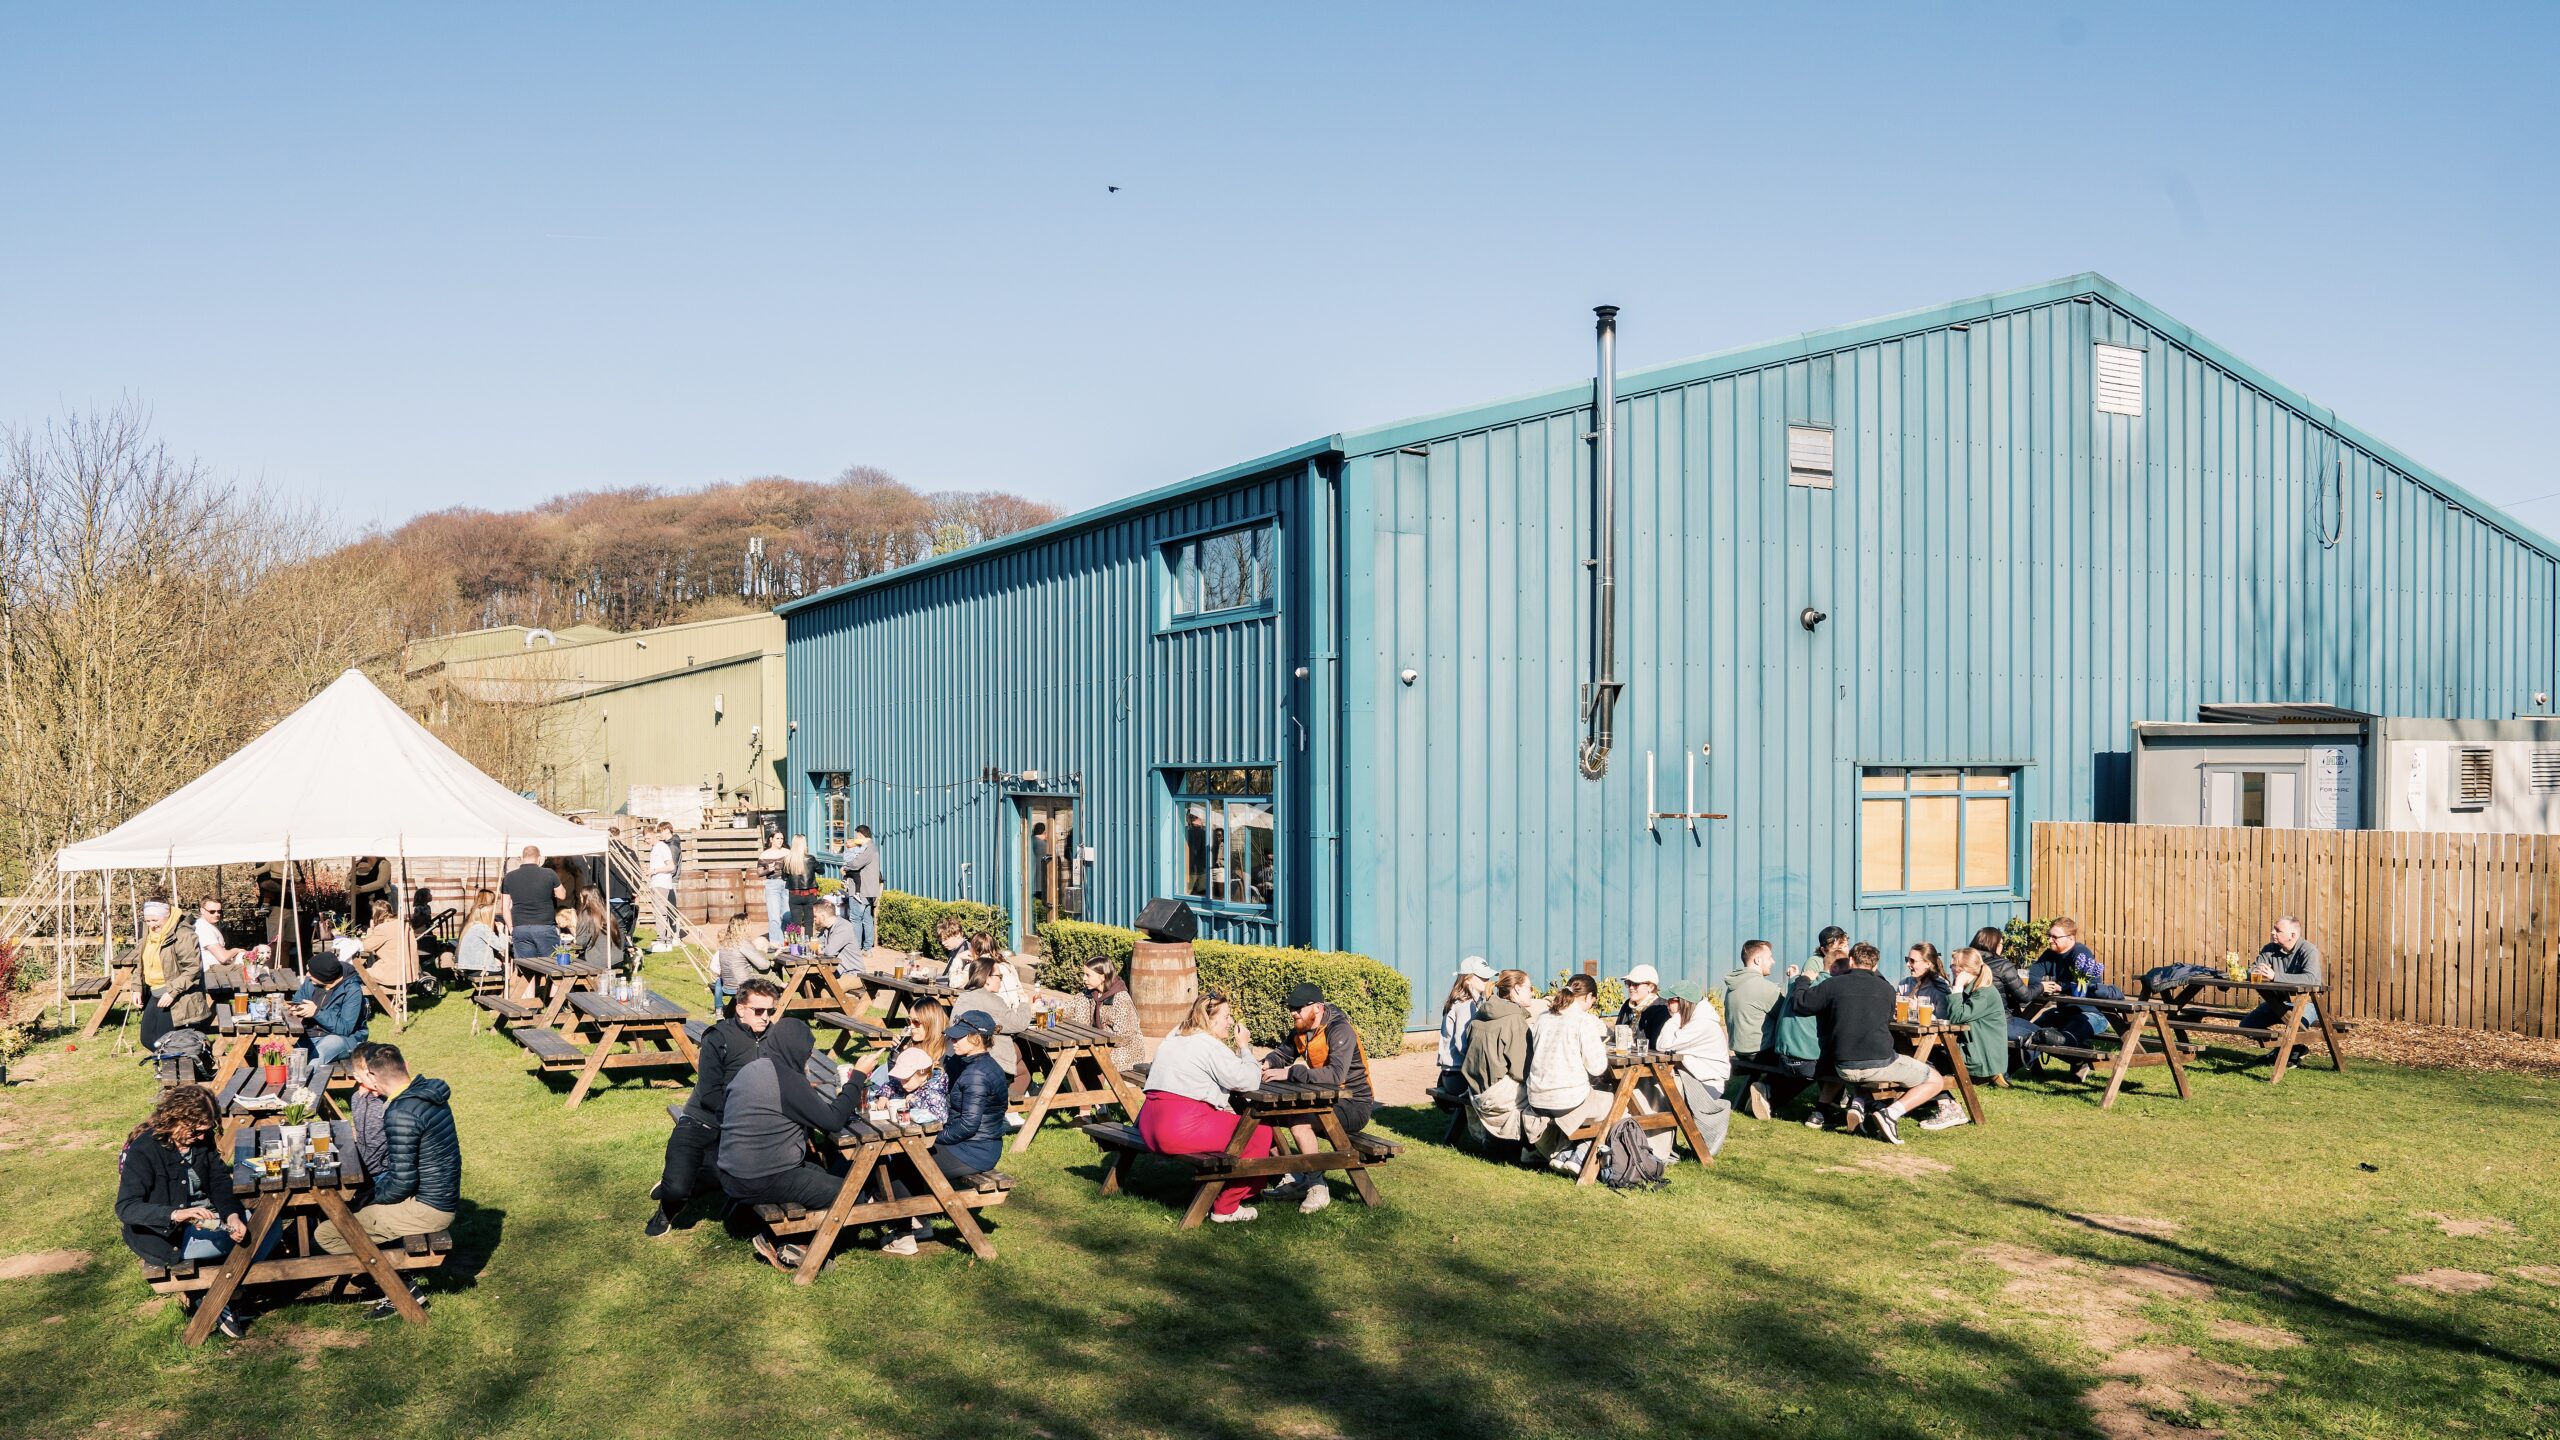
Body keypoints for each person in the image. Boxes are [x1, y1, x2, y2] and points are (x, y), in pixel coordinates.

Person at [114, 1086, 273, 1338]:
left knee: (269, 1224)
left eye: (206, 1131)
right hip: (169, 1237)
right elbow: (126, 1207)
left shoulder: (200, 1141)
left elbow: (220, 1181)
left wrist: (232, 1214)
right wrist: (178, 1215)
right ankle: (219, 1296)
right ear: (176, 1119)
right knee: (257, 1232)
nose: (201, 1137)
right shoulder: (145, 1150)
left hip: (208, 1221)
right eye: (196, 1131)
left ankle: (219, 1291)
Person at [316, 1043, 459, 1319]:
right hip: (438, 1197)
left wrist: (365, 1200)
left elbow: (401, 1183)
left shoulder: (399, 1112)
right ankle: (393, 1278)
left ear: (370, 1076)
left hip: (428, 1208)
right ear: (405, 1066)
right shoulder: (428, 1093)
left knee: (328, 1232)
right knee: (351, 1213)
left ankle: (399, 1288)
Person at [716, 1018, 864, 1271]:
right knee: (850, 1193)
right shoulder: (786, 1079)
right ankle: (791, 1243)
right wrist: (858, 1077)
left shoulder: (754, 1068)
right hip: (760, 1178)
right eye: (806, 1053)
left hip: (730, 1171)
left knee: (819, 1172)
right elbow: (832, 1120)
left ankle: (781, 1235)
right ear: (795, 1050)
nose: (806, 1060)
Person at [647, 975, 779, 1237]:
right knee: (676, 1190)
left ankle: (684, 1183)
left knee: (729, 1180)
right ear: (741, 1009)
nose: (765, 1017)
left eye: (771, 1011)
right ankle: (668, 1204)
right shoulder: (718, 1037)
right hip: (701, 1120)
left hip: (740, 1129)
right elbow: (708, 1092)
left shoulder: (775, 1036)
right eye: (759, 1010)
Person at [1787, 942, 1950, 1145]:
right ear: (1875, 966)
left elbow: (1801, 1003)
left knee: (1867, 1058)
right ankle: (1891, 1113)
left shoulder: (1833, 984)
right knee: (1935, 1080)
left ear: (1852, 961)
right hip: (1878, 1062)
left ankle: (1859, 1103)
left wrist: (1802, 979)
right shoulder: (1887, 990)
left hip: (1843, 1065)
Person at [874, 1009, 1008, 1256]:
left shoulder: (979, 1075)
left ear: (976, 1039)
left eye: (958, 1038)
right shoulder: (961, 1060)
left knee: (904, 1161)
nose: (952, 1041)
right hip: (961, 1140)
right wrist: (896, 1058)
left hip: (975, 1149)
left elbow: (968, 1126)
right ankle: (918, 1223)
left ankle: (906, 1234)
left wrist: (931, 1137)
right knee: (902, 1156)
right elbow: (924, 1073)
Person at [1138, 990, 1273, 1222]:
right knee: (1259, 1133)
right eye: (1227, 1016)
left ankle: (1223, 1190)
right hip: (1178, 1126)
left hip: (1148, 1122)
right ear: (1211, 1020)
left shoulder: (1176, 1035)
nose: (1230, 1022)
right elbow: (1247, 1080)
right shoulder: (1209, 1045)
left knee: (1237, 1129)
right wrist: (1245, 1048)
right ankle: (1226, 1207)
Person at [1260, 981, 1378, 1212]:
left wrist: (1292, 1072)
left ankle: (1317, 1187)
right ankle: (1294, 1176)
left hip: (1355, 1104)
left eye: (1298, 1008)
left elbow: (1334, 1075)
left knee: (1300, 1122)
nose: (1293, 1013)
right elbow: (1283, 1053)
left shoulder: (1339, 1029)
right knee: (1266, 1115)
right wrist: (1267, 1063)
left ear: (1316, 1007)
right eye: (1290, 1008)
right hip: (1325, 1100)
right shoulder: (1302, 1028)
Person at [1523, 974, 1612, 1173]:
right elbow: (1597, 1067)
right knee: (1611, 1100)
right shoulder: (1583, 1020)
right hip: (1566, 1099)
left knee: (1583, 1100)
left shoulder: (1543, 1018)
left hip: (1537, 1097)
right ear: (1589, 997)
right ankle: (1582, 1151)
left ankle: (1564, 1151)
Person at [1460, 969, 1536, 1162]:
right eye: (1530, 988)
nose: (1533, 993)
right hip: (1498, 1096)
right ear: (1517, 989)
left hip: (1476, 1092)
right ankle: (1539, 1149)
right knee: (1546, 1091)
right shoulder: (1514, 1020)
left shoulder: (1480, 1013)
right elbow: (1521, 1072)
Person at [1928, 947, 2008, 1129]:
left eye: (1952, 966)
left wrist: (1956, 987)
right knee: (1924, 1058)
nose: (1950, 970)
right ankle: (1942, 1103)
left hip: (1980, 1059)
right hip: (1971, 1051)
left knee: (1925, 1062)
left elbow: (1957, 1017)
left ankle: (1949, 1107)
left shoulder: (1985, 993)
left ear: (1962, 970)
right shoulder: (1974, 990)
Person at [1650, 983, 1732, 1157]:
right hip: (1695, 1077)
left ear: (1683, 1002)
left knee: (1658, 1092)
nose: (1666, 1003)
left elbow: (1663, 1044)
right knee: (1655, 1087)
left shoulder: (1702, 1024)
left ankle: (1659, 1149)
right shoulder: (1696, 1020)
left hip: (1707, 1085)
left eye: (1671, 1000)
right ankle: (1657, 1145)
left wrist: (1675, 1017)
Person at [1775, 928, 1849, 1122]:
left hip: (1782, 1057)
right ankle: (1821, 1112)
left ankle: (1769, 1093)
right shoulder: (1832, 989)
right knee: (1846, 1061)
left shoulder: (1799, 983)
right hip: (1805, 1062)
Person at [951, 956, 1032, 1121]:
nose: (1001, 981)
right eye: (999, 977)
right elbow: (1018, 1023)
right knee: (1025, 1051)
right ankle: (1005, 1112)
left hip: (958, 1052)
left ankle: (1007, 1110)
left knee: (1023, 1070)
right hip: (985, 1054)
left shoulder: (965, 996)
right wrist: (1025, 1003)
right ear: (987, 978)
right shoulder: (991, 1000)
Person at [854, 1000, 952, 1125]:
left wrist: (914, 1098)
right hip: (909, 1111)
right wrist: (896, 1054)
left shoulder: (948, 1050)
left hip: (934, 1117)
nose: (911, 1027)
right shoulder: (912, 1042)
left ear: (931, 1023)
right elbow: (897, 1079)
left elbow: (944, 1098)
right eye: (909, 1021)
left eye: (916, 1022)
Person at [2240, 916, 2324, 1062]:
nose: (2273, 932)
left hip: (2306, 1004)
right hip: (2276, 1003)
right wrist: (2256, 972)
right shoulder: (2269, 949)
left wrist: (2274, 976)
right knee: (2247, 1026)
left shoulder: (2309, 950)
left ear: (2293, 935)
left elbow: (2312, 979)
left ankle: (2287, 1052)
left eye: (2278, 930)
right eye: (2274, 929)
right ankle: (2290, 1048)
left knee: (2295, 1029)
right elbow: (2250, 971)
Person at [1720, 940, 1785, 1118]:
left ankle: (1761, 1092)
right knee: (1803, 1065)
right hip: (1762, 1051)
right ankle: (1769, 1094)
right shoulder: (1765, 988)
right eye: (1769, 957)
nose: (1773, 962)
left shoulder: (1734, 984)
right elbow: (1785, 1016)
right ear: (1757, 960)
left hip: (1741, 1050)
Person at [138, 899, 211, 1053]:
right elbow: (142, 961)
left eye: (155, 920)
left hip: (178, 995)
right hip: (156, 991)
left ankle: (178, 1070)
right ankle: (171, 1067)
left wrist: (172, 992)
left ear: (168, 916)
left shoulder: (184, 935)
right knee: (147, 1039)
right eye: (148, 920)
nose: (151, 925)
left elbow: (193, 969)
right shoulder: (150, 933)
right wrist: (136, 987)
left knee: (164, 1040)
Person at [292, 951, 369, 1068]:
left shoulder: (352, 990)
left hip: (341, 1038)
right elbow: (298, 999)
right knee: (286, 1052)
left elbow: (345, 1028)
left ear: (324, 977)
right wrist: (296, 1008)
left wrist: (316, 1012)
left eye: (312, 973)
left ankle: (302, 1085)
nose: (307, 975)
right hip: (308, 1034)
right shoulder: (311, 982)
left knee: (317, 1056)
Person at [1071, 955, 1146, 1074]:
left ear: (1102, 977)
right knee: (1077, 1061)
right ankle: (1090, 1091)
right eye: (1084, 974)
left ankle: (1094, 1091)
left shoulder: (1120, 999)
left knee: (1089, 1062)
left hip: (1124, 1052)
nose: (1083, 978)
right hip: (1100, 1046)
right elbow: (1070, 1008)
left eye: (1088, 975)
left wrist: (1097, 1040)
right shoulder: (1089, 993)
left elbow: (1124, 1036)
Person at [1435, 956, 1496, 1098]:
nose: (1487, 981)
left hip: (1453, 1074)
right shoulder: (1465, 1004)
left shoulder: (1472, 1000)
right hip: (1458, 1076)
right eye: (1482, 977)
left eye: (1488, 977)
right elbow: (1462, 1043)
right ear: (1467, 979)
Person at [355, 897, 422, 1006]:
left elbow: (366, 946)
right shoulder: (404, 924)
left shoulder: (382, 929)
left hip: (392, 973)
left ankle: (363, 1004)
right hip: (409, 972)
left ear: (376, 914)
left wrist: (370, 929)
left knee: (357, 973)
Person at [498, 846, 561, 958]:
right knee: (551, 966)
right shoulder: (549, 873)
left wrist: (511, 928)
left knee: (526, 968)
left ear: (522, 858)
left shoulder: (509, 877)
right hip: (544, 926)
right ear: (539, 858)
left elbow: (504, 907)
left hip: (520, 927)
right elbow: (562, 895)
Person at [710, 912, 772, 1014]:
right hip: (743, 986)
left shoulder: (725, 943)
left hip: (728, 986)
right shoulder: (743, 943)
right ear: (745, 927)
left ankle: (724, 1012)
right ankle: (774, 1008)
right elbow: (763, 965)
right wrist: (768, 957)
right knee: (772, 975)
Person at [841, 823, 883, 960]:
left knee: (856, 918)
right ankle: (867, 948)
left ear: (860, 835)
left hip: (861, 889)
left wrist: (845, 867)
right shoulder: (872, 848)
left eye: (856, 836)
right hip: (869, 889)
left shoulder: (867, 849)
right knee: (866, 919)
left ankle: (857, 948)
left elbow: (856, 863)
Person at [1613, 963, 1672, 1045]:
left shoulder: (1661, 1009)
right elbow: (1617, 1034)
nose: (1631, 987)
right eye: (1628, 983)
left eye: (1636, 984)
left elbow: (1656, 1044)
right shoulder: (1627, 1005)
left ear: (1650, 987)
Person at [647, 824, 681, 952]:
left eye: (660, 831)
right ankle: (667, 940)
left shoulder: (670, 846)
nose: (659, 834)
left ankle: (669, 939)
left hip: (667, 881)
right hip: (663, 881)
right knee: (666, 910)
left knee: (666, 910)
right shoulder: (663, 845)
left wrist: (654, 871)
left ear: (667, 830)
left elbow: (671, 866)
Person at [454, 893, 505, 978]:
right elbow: (502, 947)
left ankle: (495, 992)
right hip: (479, 968)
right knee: (509, 969)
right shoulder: (483, 928)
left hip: (468, 967)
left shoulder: (472, 925)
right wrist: (501, 932)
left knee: (502, 964)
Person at [809, 899, 864, 977]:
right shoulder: (825, 929)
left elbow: (828, 952)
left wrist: (820, 950)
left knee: (824, 988)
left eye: (815, 916)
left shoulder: (843, 927)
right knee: (810, 981)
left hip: (852, 974)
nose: (814, 919)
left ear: (823, 916)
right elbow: (815, 946)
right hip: (835, 973)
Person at [757, 828, 791, 947]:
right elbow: (759, 872)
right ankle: (775, 943)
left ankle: (785, 942)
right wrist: (768, 870)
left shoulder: (788, 852)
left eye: (782, 838)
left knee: (787, 915)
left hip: (786, 884)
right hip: (772, 885)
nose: (780, 840)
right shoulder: (764, 854)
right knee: (774, 916)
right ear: (771, 840)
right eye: (777, 838)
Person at [1899, 943, 1952, 1019]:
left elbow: (1943, 1020)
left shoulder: (1940, 987)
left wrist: (1916, 1010)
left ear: (1927, 964)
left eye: (1912, 961)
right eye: (1907, 959)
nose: (1908, 964)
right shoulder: (1904, 984)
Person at [345, 857, 392, 934]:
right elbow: (347, 882)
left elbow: (380, 883)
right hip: (358, 904)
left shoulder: (384, 864)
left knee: (377, 927)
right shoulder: (356, 863)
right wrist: (351, 886)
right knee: (356, 929)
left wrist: (360, 889)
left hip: (377, 903)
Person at [782, 833, 817, 936]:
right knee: (809, 922)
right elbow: (821, 870)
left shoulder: (787, 859)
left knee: (796, 922)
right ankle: (808, 946)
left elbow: (784, 877)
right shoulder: (810, 859)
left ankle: (795, 946)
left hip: (794, 894)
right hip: (809, 894)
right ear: (804, 844)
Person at [194, 897, 236, 969]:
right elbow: (223, 957)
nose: (217, 914)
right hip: (212, 970)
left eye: (219, 911)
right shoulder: (204, 928)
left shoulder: (207, 925)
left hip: (217, 968)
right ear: (202, 910)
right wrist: (236, 950)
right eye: (212, 911)